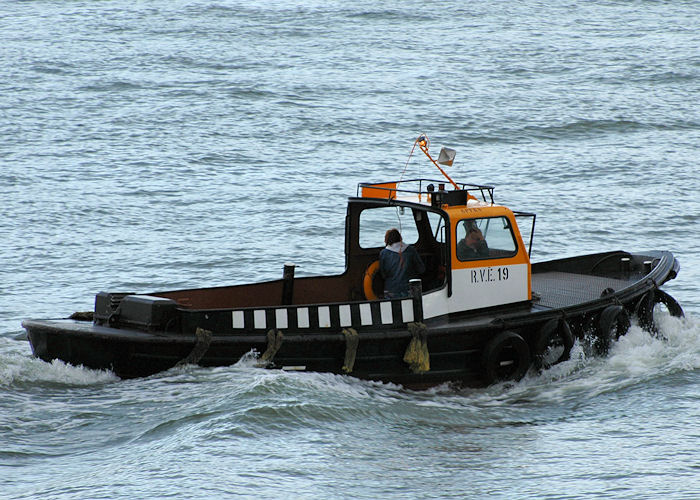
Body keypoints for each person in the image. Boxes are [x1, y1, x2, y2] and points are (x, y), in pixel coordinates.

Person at [379, 228, 425, 299]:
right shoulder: (411, 250)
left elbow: (383, 274)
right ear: (400, 238)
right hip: (409, 289)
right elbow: (421, 269)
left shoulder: (384, 253)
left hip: (391, 290)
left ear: (387, 239)